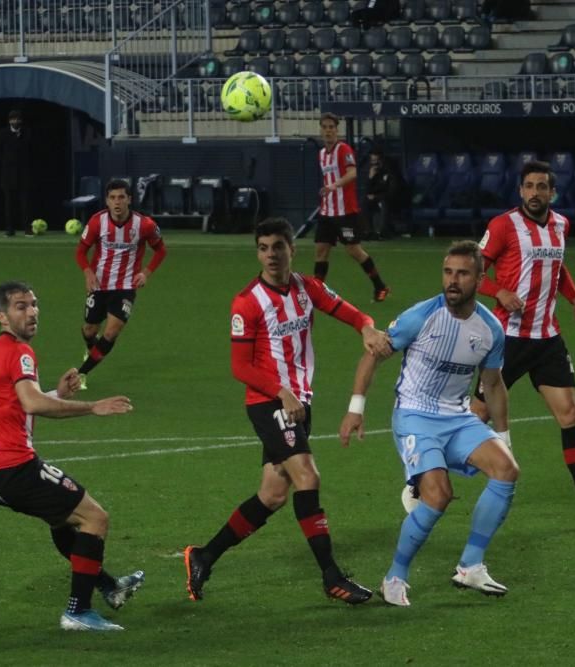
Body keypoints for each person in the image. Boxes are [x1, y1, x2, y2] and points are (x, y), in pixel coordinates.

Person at [183, 217, 391, 605]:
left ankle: (204, 555)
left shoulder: (307, 288)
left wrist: (366, 327)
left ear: (292, 249)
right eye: (263, 248)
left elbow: (348, 311)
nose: (270, 255)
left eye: (278, 246)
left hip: (299, 403)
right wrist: (282, 393)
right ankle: (332, 577)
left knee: (273, 495)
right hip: (270, 403)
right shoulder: (246, 302)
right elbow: (240, 367)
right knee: (307, 477)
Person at [339, 241, 518, 606]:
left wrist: (503, 435)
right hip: (414, 416)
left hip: (457, 417)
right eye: (448, 272)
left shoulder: (490, 329)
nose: (453, 281)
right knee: (438, 495)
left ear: (480, 278)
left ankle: (471, 566)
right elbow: (372, 356)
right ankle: (395, 576)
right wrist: (356, 407)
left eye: (463, 273)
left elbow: (494, 384)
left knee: (506, 469)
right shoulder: (420, 317)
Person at [0, 281, 144, 631]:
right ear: (2, 316)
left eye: (35, 304)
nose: (33, 312)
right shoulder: (21, 352)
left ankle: (109, 587)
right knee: (95, 519)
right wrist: (92, 406)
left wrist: (56, 392)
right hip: (14, 468)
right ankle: (78, 612)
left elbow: (16, 404)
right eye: (21, 306)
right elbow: (33, 404)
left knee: (66, 519)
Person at [469, 160, 575, 530]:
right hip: (507, 338)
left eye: (542, 186)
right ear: (520, 190)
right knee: (477, 416)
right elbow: (474, 270)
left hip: (547, 338)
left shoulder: (561, 225)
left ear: (552, 192)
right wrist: (500, 291)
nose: (535, 193)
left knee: (570, 415)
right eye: (529, 186)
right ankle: (419, 481)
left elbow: (559, 267)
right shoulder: (503, 226)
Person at [74, 179, 167, 388]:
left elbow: (161, 250)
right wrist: (88, 272)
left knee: (112, 331)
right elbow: (80, 251)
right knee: (90, 329)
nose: (117, 202)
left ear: (129, 200)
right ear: (107, 201)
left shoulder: (144, 225)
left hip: (125, 286)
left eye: (122, 197)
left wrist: (146, 273)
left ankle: (81, 374)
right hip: (99, 284)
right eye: (113, 198)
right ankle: (91, 348)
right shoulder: (97, 222)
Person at [314, 113, 390, 302]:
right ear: (321, 130)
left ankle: (380, 286)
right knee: (321, 250)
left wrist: (334, 186)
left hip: (345, 212)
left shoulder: (344, 149)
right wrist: (326, 191)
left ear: (336, 129)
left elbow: (353, 173)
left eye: (332, 127)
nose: (328, 130)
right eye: (325, 127)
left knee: (354, 250)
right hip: (327, 211)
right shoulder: (322, 154)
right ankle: (315, 293)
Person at [0, 109, 33, 237]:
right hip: (8, 174)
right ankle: (9, 229)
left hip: (24, 174)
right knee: (9, 203)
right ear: (9, 120)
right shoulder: (3, 133)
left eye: (17, 119)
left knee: (25, 203)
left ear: (20, 120)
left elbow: (30, 150)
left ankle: (27, 228)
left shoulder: (26, 133)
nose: (15, 121)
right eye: (12, 119)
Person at [364, 147, 404, 240]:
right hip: (379, 198)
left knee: (384, 202)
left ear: (381, 160)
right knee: (365, 202)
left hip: (394, 199)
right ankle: (369, 232)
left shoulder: (391, 171)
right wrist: (370, 178)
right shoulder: (373, 171)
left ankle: (383, 232)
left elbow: (393, 192)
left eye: (376, 160)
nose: (374, 163)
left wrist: (376, 196)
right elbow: (367, 191)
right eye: (372, 160)